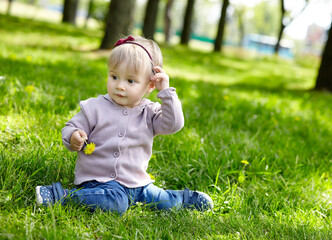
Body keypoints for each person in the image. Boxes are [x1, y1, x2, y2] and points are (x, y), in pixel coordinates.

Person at [35, 36, 213, 216]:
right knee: (115, 203)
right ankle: (60, 196)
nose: (120, 86)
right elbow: (70, 127)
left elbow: (174, 124)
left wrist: (166, 92)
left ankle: (182, 199)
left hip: (138, 183)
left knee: (163, 202)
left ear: (150, 85)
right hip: (99, 181)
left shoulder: (149, 112)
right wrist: (73, 135)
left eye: (130, 81)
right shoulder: (95, 107)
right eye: (114, 77)